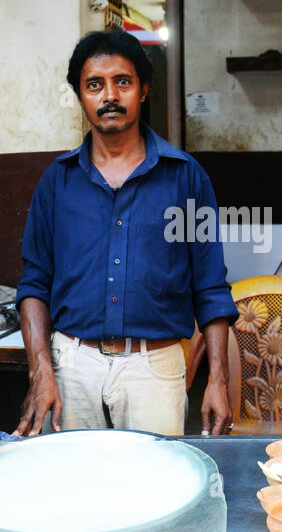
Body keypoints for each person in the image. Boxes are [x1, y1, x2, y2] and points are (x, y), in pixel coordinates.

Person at [14, 30, 238, 437]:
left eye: (123, 81)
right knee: (74, 495)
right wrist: (40, 371)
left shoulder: (186, 178)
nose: (109, 95)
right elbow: (34, 284)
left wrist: (218, 380)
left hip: (155, 368)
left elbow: (210, 288)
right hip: (72, 368)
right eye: (94, 84)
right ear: (80, 96)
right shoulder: (56, 183)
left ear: (143, 89)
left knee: (155, 496)